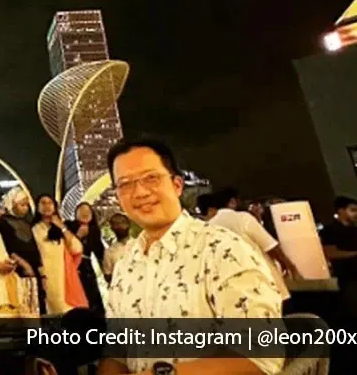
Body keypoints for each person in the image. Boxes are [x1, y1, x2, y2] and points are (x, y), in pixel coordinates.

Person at [98, 137, 283, 375]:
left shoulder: (222, 249)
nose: (140, 192)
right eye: (125, 184)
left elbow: (259, 356)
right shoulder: (125, 266)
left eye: (151, 178)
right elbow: (118, 351)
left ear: (176, 184)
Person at [209, 186, 302, 305]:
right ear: (232, 202)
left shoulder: (210, 226)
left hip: (235, 291)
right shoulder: (242, 218)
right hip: (264, 283)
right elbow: (270, 246)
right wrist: (290, 266)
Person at [32, 194, 87, 313]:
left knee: (69, 311)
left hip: (63, 274)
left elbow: (77, 248)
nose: (47, 206)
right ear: (37, 207)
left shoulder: (60, 229)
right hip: (45, 276)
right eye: (43, 203)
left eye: (50, 203)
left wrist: (61, 226)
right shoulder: (34, 229)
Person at [0, 186, 43, 313]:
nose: (25, 208)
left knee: (36, 306)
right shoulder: (2, 224)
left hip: (33, 270)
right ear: (12, 204)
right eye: (22, 204)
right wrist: (25, 266)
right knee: (23, 305)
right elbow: (8, 249)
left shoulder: (26, 223)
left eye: (27, 205)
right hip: (18, 271)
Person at [65, 202, 105, 316]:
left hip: (87, 267)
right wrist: (78, 236)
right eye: (81, 211)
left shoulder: (94, 230)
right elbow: (64, 248)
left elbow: (99, 252)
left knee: (92, 298)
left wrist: (106, 270)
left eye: (88, 211)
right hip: (71, 265)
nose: (85, 214)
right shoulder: (68, 226)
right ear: (76, 213)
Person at [101, 213, 131, 283]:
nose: (119, 225)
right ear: (112, 228)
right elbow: (108, 276)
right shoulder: (109, 252)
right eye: (115, 223)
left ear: (128, 224)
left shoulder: (140, 244)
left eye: (122, 222)